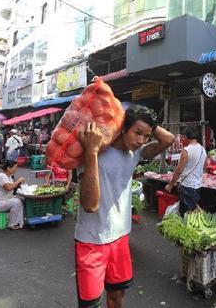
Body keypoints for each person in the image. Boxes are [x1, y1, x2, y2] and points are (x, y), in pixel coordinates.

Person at [76, 105, 174, 308]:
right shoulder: (96, 153)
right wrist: (92, 151)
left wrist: (145, 120)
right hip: (92, 241)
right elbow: (90, 205)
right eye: (137, 133)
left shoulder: (134, 154)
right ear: (122, 127)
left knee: (117, 297)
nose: (141, 141)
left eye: (146, 136)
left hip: (119, 238)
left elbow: (168, 140)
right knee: (90, 304)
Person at [165, 127, 207, 216]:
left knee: (186, 214)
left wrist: (170, 185)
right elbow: (204, 167)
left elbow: (179, 170)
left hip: (187, 186)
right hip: (197, 185)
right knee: (192, 213)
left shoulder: (186, 151)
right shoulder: (203, 150)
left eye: (183, 136)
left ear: (186, 136)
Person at [0, 160, 25, 230]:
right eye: (15, 167)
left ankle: (20, 221)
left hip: (4, 200)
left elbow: (12, 187)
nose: (16, 169)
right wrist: (18, 181)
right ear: (8, 168)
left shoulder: (8, 176)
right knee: (17, 201)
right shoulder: (2, 176)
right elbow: (9, 187)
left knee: (22, 199)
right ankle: (12, 224)